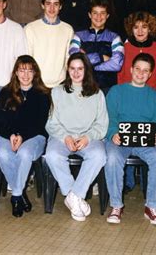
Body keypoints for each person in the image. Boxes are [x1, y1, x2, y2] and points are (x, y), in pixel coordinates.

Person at [105, 53, 156, 225]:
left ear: (150, 74)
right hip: (120, 139)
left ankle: (152, 206)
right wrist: (113, 133)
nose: (141, 73)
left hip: (146, 141)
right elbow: (109, 117)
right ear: (131, 69)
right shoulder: (116, 91)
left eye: (145, 71)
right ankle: (116, 205)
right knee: (111, 158)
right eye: (138, 69)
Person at [45, 53, 108, 222]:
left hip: (88, 138)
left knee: (99, 155)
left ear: (86, 70)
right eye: (72, 68)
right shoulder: (57, 92)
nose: (76, 72)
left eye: (80, 68)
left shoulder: (97, 93)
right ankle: (75, 198)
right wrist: (65, 137)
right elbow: (51, 123)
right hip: (62, 137)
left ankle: (74, 195)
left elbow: (102, 124)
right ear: (68, 70)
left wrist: (88, 137)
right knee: (52, 155)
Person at [0, 55, 51, 217]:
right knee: (3, 154)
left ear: (35, 73)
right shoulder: (6, 92)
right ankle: (19, 193)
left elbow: (40, 122)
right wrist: (11, 134)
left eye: (29, 71)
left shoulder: (42, 94)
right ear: (16, 73)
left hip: (34, 136)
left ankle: (16, 195)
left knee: (24, 153)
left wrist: (22, 136)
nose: (25, 75)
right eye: (21, 70)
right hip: (8, 135)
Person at [69, 0, 124, 94]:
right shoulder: (78, 36)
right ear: (89, 15)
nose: (99, 17)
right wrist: (101, 57)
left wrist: (86, 64)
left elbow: (117, 65)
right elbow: (74, 59)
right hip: (82, 86)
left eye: (102, 13)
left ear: (107, 15)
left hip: (107, 88)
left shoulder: (115, 37)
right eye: (95, 13)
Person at [25, 0, 74, 88]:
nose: (52, 8)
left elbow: (68, 59)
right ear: (42, 5)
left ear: (60, 6)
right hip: (37, 84)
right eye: (48, 4)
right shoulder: (30, 28)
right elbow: (27, 58)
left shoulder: (68, 29)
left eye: (56, 4)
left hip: (60, 84)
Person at [118, 11, 156, 97]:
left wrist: (151, 96)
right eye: (136, 27)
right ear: (131, 29)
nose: (140, 31)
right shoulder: (124, 48)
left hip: (152, 97)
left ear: (150, 29)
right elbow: (119, 78)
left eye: (144, 27)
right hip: (127, 95)